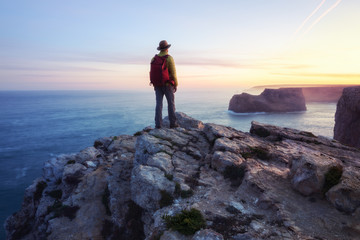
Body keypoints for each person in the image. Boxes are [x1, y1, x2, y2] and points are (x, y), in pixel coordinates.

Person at [150, 40, 179, 129]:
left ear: (160, 49)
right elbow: (173, 74)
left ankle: (158, 125)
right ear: (167, 49)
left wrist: (155, 83)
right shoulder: (169, 58)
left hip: (157, 85)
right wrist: (176, 84)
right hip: (167, 85)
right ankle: (173, 124)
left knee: (158, 104)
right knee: (171, 104)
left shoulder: (153, 58)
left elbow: (152, 72)